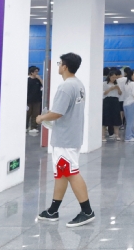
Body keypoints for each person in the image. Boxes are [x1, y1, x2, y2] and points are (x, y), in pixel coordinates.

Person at [37, 52, 95, 227]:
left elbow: (57, 113)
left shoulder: (65, 87)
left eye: (59, 63)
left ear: (65, 66)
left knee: (70, 172)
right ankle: (53, 210)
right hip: (71, 135)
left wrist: (41, 118)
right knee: (61, 173)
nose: (58, 66)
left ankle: (87, 211)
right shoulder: (78, 84)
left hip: (65, 138)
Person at [102, 68, 122, 141]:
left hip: (115, 101)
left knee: (116, 118)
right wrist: (110, 89)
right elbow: (104, 93)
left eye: (115, 77)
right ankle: (103, 136)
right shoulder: (104, 83)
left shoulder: (117, 84)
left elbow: (120, 93)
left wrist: (118, 89)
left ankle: (117, 135)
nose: (114, 79)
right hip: (107, 101)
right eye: (113, 77)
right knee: (105, 119)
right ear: (109, 76)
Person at [121, 72, 134, 142]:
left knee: (129, 121)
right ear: (132, 75)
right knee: (130, 122)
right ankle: (128, 137)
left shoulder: (126, 84)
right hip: (131, 103)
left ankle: (132, 135)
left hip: (125, 103)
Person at [27, 66, 43, 135]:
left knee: (35, 114)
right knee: (27, 114)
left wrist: (40, 79)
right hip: (28, 100)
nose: (37, 73)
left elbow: (44, 85)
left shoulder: (38, 80)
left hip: (37, 100)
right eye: (36, 71)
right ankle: (26, 126)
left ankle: (34, 127)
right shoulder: (27, 80)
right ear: (31, 72)